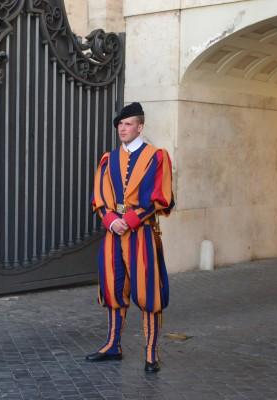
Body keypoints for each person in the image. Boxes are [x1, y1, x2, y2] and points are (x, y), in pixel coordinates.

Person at [87, 102, 174, 372]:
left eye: (127, 124)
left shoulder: (156, 156)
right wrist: (112, 220)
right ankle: (113, 345)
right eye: (120, 125)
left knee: (149, 292)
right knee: (113, 289)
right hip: (114, 234)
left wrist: (131, 219)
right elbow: (99, 197)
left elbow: (160, 196)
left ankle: (151, 352)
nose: (122, 129)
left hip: (142, 233)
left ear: (140, 126)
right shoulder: (108, 159)